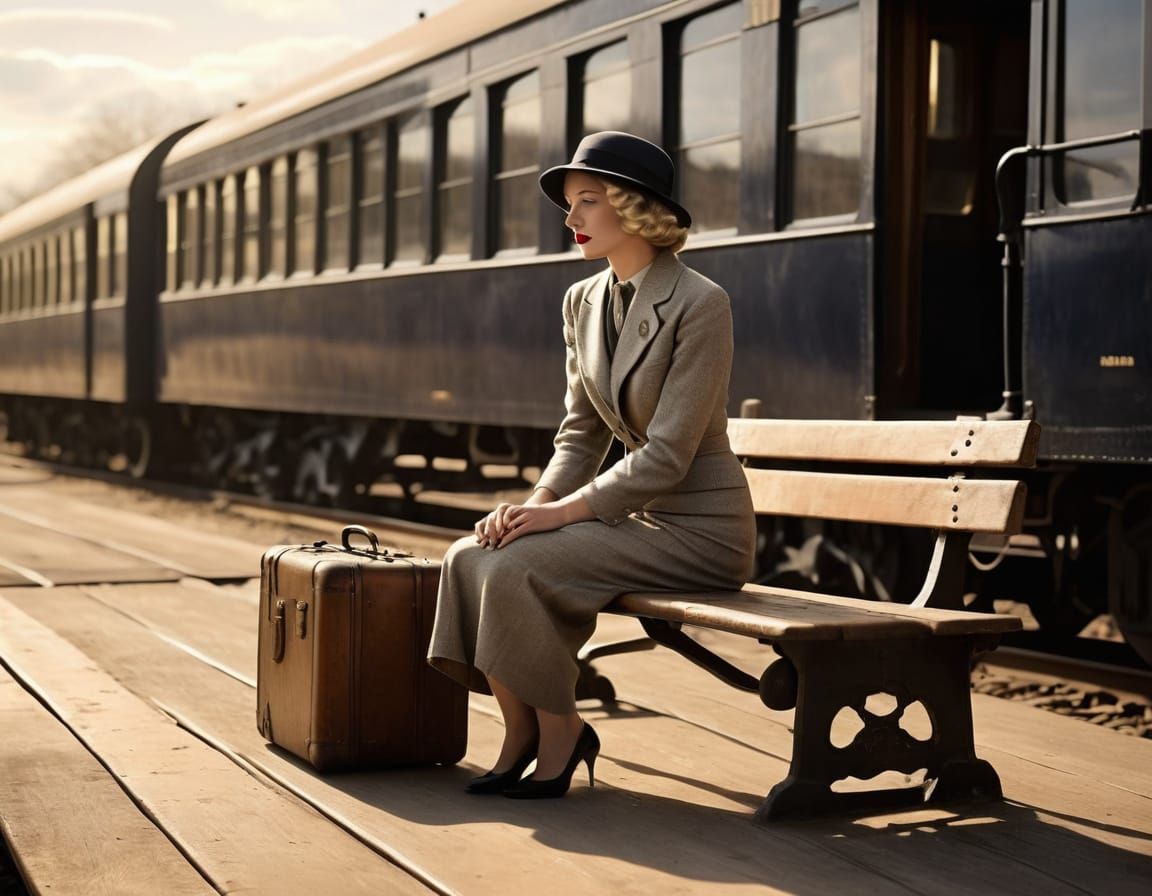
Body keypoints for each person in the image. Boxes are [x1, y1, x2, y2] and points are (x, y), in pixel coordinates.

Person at [427, 131, 755, 799]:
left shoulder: (700, 302)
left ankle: (562, 732)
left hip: (700, 529)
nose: (570, 219)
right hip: (634, 521)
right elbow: (580, 434)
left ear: (633, 209)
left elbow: (667, 455)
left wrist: (557, 517)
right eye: (569, 205)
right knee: (470, 554)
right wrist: (530, 505)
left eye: (587, 201)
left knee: (517, 565)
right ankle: (519, 732)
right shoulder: (582, 300)